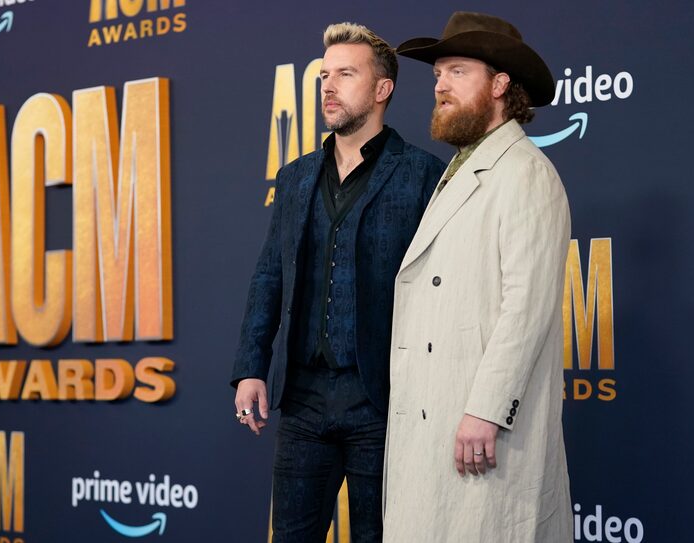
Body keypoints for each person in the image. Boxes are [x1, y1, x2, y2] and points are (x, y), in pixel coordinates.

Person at [230, 22, 445, 543]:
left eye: (345, 74)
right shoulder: (295, 177)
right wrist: (250, 368)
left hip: (382, 398)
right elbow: (268, 275)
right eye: (324, 75)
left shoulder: (422, 175)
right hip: (301, 396)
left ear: (382, 89)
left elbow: (441, 289)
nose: (327, 86)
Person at [382, 12, 573, 542]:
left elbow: (527, 308)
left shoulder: (527, 173)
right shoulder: (463, 166)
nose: (439, 85)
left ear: (500, 84)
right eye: (438, 73)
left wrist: (486, 410)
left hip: (479, 431)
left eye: (457, 71)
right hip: (437, 419)